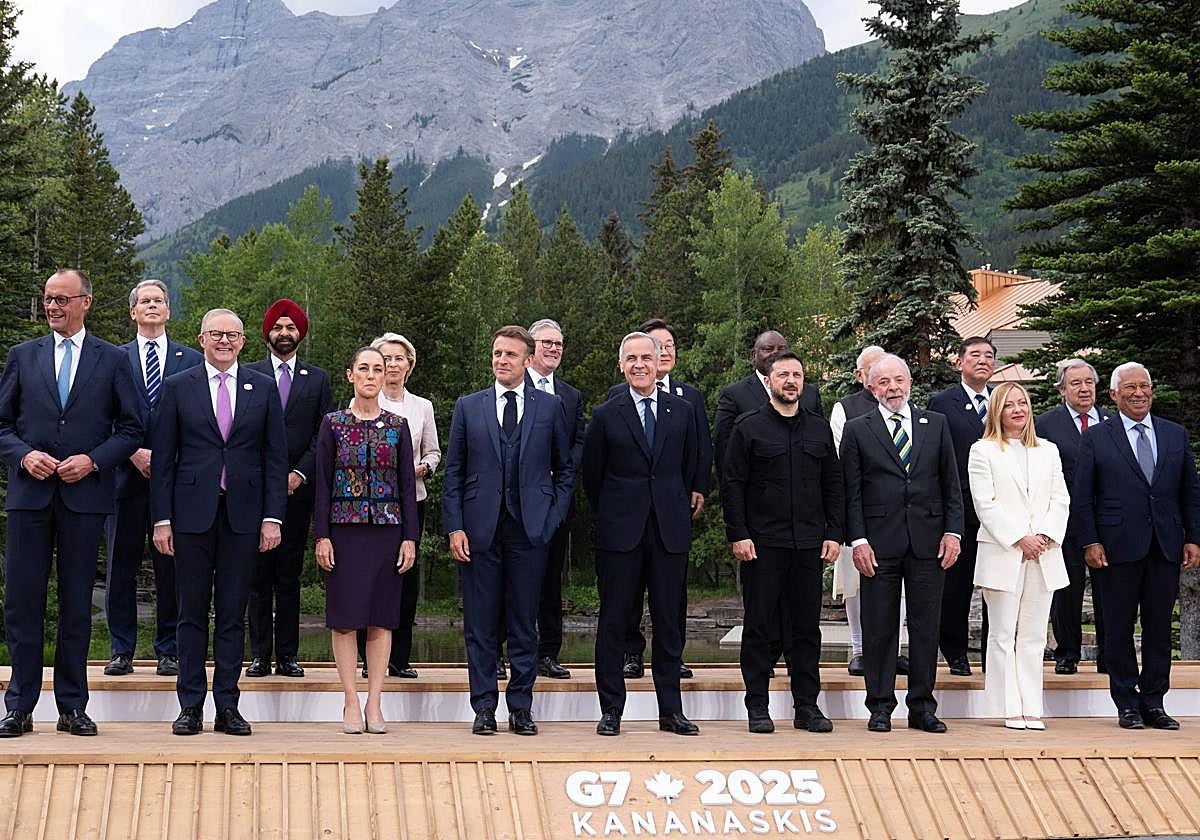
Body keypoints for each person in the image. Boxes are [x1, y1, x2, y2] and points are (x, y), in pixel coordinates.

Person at [0, 269, 142, 738]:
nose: (53, 306)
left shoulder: (113, 360)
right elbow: (1, 427)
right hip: (30, 499)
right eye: (47, 299)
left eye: (62, 299)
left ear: (86, 302)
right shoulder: (23, 356)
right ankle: (19, 706)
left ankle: (72, 707)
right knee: (24, 603)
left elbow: (131, 430)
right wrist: (24, 456)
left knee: (77, 605)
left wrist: (94, 461)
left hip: (85, 499)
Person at [150, 308, 288, 737]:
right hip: (189, 515)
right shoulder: (177, 387)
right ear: (201, 338)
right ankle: (190, 706)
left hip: (244, 516)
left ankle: (227, 705)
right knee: (190, 613)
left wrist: (272, 518)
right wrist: (161, 520)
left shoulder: (262, 389)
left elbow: (274, 456)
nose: (224, 341)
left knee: (232, 613)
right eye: (216, 334)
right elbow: (164, 461)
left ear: (243, 341)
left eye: (232, 335)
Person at [442, 326, 574, 736]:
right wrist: (455, 527)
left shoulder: (550, 408)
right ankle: (483, 707)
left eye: (511, 355)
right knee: (480, 625)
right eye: (497, 353)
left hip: (530, 531)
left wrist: (551, 520)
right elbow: (454, 473)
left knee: (523, 622)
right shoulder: (469, 406)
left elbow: (565, 471)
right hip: (479, 531)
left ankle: (520, 707)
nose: (502, 360)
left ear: (527, 360)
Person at [1072, 362, 1200, 731]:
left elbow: (1189, 492)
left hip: (1164, 545)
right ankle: (1126, 703)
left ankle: (1155, 702)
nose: (1139, 393)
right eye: (1130, 387)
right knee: (1117, 629)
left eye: (1145, 386)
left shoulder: (1174, 435)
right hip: (1113, 549)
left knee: (1159, 628)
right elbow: (1083, 496)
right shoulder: (1097, 436)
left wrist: (1193, 537)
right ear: (1114, 394)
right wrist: (1090, 541)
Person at [585, 332, 700, 736]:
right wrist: (619, 510)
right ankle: (611, 710)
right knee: (615, 622)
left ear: (659, 362)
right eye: (631, 358)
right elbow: (593, 477)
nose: (639, 365)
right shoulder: (605, 414)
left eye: (646, 358)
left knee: (669, 624)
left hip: (669, 531)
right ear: (621, 365)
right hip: (620, 533)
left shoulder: (682, 411)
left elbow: (687, 469)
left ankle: (671, 711)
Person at [721, 351, 842, 734]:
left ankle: (806, 706)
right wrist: (738, 533)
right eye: (783, 375)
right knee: (759, 626)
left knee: (807, 629)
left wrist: (834, 533)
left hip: (808, 544)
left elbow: (833, 485)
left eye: (797, 375)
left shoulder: (819, 429)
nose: (791, 381)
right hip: (762, 545)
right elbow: (733, 484)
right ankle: (757, 706)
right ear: (769, 381)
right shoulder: (748, 426)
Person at [841, 354, 963, 734]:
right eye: (884, 382)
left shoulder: (936, 424)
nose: (893, 388)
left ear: (909, 382)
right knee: (880, 628)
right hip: (878, 544)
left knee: (926, 627)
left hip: (929, 542)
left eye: (899, 380)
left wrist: (953, 532)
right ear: (871, 387)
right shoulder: (858, 429)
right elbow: (852, 493)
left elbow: (951, 484)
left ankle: (922, 707)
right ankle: (880, 706)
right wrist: (858, 540)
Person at [313, 347, 419, 734]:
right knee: (345, 619)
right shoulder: (333, 424)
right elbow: (322, 484)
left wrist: (410, 538)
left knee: (381, 619)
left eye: (379, 368)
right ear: (350, 375)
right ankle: (350, 701)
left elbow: (408, 486)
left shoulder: (397, 425)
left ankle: (375, 701)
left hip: (388, 531)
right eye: (364, 369)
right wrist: (321, 535)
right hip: (344, 530)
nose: (372, 375)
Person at [105, 279, 202, 678]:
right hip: (123, 479)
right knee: (119, 568)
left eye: (159, 300)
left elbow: (199, 419)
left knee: (171, 569)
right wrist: (132, 452)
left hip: (175, 481)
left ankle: (168, 649)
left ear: (168, 311)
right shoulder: (111, 358)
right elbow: (100, 415)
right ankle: (121, 650)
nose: (151, 305)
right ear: (133, 312)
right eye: (144, 301)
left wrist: (164, 458)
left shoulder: (191, 359)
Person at [608, 318, 710, 680]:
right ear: (623, 363)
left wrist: (694, 489)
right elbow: (598, 469)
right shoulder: (614, 401)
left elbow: (698, 450)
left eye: (665, 347)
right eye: (654, 346)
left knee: (671, 597)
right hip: (628, 517)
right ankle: (631, 653)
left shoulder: (686, 400)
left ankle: (672, 658)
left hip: (671, 512)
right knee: (628, 593)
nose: (659, 353)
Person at [968, 382, 1070, 730]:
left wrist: (1042, 536)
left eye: (1023, 403)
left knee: (1034, 635)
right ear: (997, 410)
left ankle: (1031, 706)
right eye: (1009, 404)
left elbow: (1060, 499)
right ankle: (1007, 705)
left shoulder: (1048, 450)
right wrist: (1019, 538)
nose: (1018, 410)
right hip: (1003, 553)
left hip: (1043, 553)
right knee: (1001, 633)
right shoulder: (982, 451)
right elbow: (986, 504)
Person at [244, 299, 333, 679]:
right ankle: (260, 655)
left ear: (300, 333)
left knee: (289, 576)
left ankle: (289, 656)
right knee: (257, 576)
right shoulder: (248, 374)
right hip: (255, 491)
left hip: (298, 493)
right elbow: (241, 432)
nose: (284, 333)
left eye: (291, 328)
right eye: (278, 328)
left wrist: (298, 473)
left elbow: (323, 435)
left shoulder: (318, 379)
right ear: (267, 333)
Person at [354, 332, 440, 680]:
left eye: (398, 358)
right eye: (384, 358)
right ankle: (365, 659)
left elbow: (433, 451)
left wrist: (424, 467)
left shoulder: (422, 407)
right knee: (368, 578)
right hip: (370, 505)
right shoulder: (362, 401)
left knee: (406, 578)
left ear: (410, 365)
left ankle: (400, 659)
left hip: (410, 502)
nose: (391, 365)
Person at [829, 345, 908, 677]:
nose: (885, 379)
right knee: (857, 582)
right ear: (862, 376)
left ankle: (898, 649)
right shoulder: (845, 409)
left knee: (902, 586)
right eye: (874, 370)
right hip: (860, 511)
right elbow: (841, 459)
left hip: (903, 516)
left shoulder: (907, 407)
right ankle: (860, 649)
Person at [1035, 360, 1112, 674]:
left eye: (1089, 382)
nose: (1084, 389)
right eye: (1076, 383)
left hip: (1106, 520)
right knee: (1066, 588)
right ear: (1062, 389)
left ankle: (1110, 653)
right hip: (1062, 521)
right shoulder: (1045, 425)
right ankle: (1067, 652)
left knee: (1109, 589)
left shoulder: (1112, 422)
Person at [926, 336, 996, 676]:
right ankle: (954, 653)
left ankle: (992, 654)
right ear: (960, 362)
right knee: (957, 585)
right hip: (960, 508)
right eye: (975, 355)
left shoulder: (1002, 401)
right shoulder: (941, 402)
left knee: (996, 585)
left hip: (998, 511)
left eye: (989, 356)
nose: (982, 361)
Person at [526, 318, 585, 679]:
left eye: (559, 343)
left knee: (551, 580)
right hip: (517, 499)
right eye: (546, 342)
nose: (553, 348)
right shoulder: (510, 386)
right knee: (514, 578)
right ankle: (506, 651)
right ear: (531, 348)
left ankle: (548, 653)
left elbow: (578, 444)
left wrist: (559, 476)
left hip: (556, 501)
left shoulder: (571, 395)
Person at [714, 330, 822, 475]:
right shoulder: (734, 395)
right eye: (768, 349)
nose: (775, 354)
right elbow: (724, 449)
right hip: (756, 488)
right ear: (754, 355)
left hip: (804, 486)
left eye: (782, 349)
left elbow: (820, 443)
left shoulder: (810, 394)